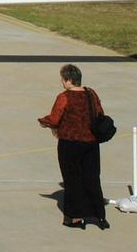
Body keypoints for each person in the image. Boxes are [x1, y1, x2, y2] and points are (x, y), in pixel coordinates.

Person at [37, 63, 108, 229]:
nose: (62, 82)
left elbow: (55, 118)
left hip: (70, 143)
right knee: (92, 178)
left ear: (69, 80)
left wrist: (43, 121)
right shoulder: (91, 93)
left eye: (63, 79)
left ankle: (76, 216)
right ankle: (99, 215)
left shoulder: (64, 97)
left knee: (72, 179)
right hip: (91, 142)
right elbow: (100, 113)